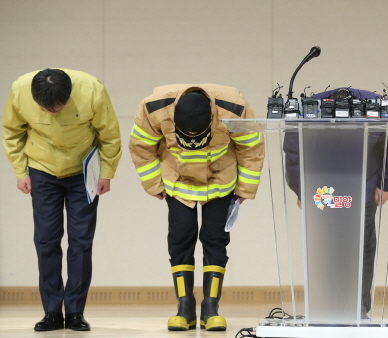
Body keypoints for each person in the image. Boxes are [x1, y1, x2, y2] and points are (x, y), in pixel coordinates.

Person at [129, 85, 264, 331]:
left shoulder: (234, 108)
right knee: (180, 240)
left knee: (215, 240)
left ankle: (211, 308)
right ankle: (185, 308)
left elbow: (251, 148)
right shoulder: (154, 108)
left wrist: (245, 188)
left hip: (220, 180)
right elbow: (141, 147)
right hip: (177, 180)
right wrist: (153, 184)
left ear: (213, 116)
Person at [2, 68, 122, 331]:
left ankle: (76, 312)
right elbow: (11, 132)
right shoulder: (20, 90)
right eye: (45, 110)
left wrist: (107, 172)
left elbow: (110, 134)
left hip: (83, 172)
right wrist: (21, 171)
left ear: (69, 97)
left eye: (56, 109)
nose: (51, 115)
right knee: (46, 239)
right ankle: (53, 312)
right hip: (42, 170)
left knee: (81, 241)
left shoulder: (92, 90)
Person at [283, 87, 388, 318]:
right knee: (325, 245)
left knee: (362, 247)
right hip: (322, 190)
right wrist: (301, 189)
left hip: (364, 188)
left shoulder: (380, 106)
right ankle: (326, 304)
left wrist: (385, 183)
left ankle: (358, 306)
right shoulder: (311, 108)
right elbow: (292, 149)